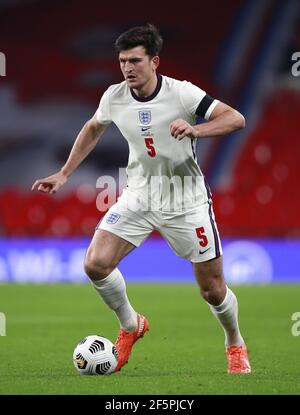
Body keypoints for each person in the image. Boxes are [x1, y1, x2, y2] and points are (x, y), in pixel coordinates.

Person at [32, 23, 251, 374]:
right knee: (95, 264)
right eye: (122, 61)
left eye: (135, 60)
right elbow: (93, 127)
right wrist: (64, 173)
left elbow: (235, 118)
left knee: (212, 290)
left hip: (186, 201)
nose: (127, 68)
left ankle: (235, 343)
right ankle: (131, 326)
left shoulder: (182, 94)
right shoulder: (114, 96)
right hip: (139, 195)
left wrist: (197, 129)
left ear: (155, 61)